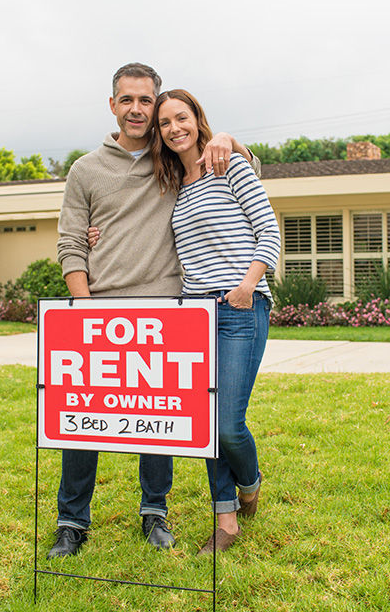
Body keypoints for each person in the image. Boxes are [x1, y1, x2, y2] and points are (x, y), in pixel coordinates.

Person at [50, 63, 260, 559]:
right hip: (98, 308)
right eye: (128, 100)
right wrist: (82, 306)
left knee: (156, 420)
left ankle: (154, 513)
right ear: (113, 105)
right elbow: (70, 243)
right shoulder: (85, 169)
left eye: (147, 100)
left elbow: (243, 173)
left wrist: (229, 137)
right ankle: (71, 521)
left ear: (157, 103)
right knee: (80, 421)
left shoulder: (172, 161)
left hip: (168, 307)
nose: (138, 109)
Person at [153, 89, 280, 555]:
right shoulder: (174, 185)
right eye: (164, 123)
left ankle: (250, 482)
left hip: (240, 309)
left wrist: (248, 285)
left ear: (197, 119)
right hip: (194, 315)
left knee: (228, 424)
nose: (174, 129)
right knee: (207, 426)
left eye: (180, 118)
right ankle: (226, 521)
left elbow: (270, 230)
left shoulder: (228, 164)